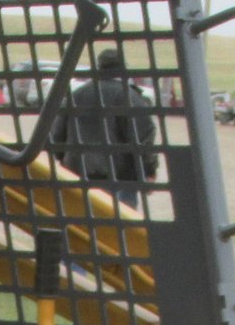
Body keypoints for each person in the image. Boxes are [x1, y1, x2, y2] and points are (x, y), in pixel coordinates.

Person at [51, 49, 159, 207]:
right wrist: (149, 171)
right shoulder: (129, 97)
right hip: (118, 178)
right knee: (119, 226)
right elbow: (143, 138)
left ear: (99, 67)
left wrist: (62, 159)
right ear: (123, 68)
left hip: (76, 173)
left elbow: (57, 135)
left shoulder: (77, 95)